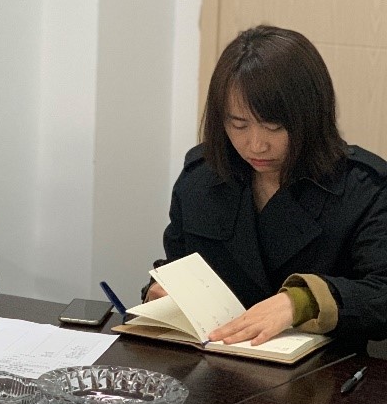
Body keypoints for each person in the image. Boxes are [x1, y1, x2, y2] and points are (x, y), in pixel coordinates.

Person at [146, 25, 387, 346]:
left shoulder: (364, 187)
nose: (256, 145)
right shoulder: (201, 177)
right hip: (215, 359)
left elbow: (382, 293)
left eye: (273, 127)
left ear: (311, 117)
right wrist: (162, 292)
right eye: (238, 124)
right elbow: (178, 264)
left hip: (322, 369)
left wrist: (300, 302)